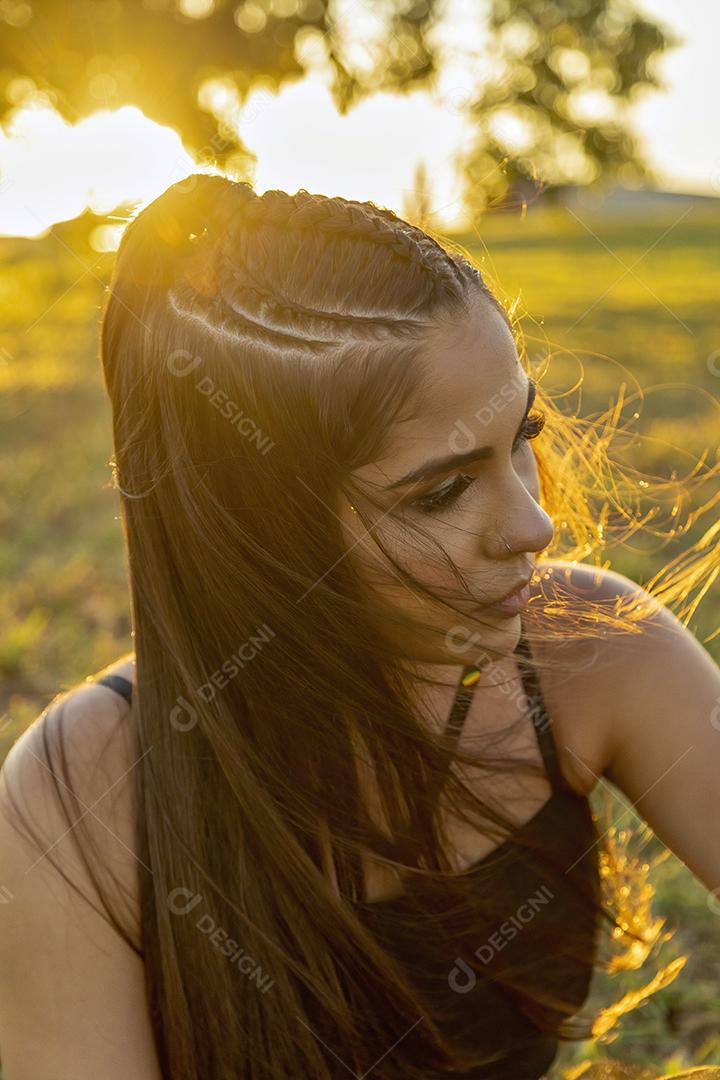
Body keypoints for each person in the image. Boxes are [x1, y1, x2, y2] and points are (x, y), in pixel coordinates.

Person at [0, 174, 718, 1080]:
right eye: (444, 488)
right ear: (259, 531)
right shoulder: (85, 798)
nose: (534, 526)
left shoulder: (592, 647)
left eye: (522, 434)